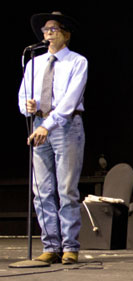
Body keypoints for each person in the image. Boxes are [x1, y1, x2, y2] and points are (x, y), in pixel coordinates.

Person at [18, 12, 88, 264]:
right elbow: (22, 95)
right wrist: (27, 105)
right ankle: (51, 246)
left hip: (65, 127)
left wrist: (47, 125)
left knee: (66, 189)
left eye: (53, 29)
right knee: (41, 190)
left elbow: (69, 101)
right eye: (45, 29)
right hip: (39, 124)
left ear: (65, 33)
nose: (47, 33)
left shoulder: (77, 62)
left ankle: (70, 246)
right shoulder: (33, 63)